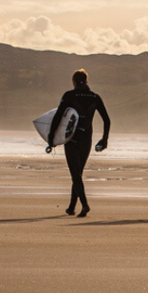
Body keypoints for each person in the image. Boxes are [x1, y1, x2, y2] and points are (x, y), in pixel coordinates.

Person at [48, 68, 110, 217]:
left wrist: (51, 137)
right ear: (87, 81)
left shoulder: (69, 96)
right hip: (86, 139)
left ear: (73, 82)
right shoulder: (95, 97)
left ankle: (84, 204)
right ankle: (71, 207)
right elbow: (107, 120)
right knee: (78, 173)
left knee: (75, 174)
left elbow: (58, 117)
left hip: (72, 139)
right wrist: (104, 139)